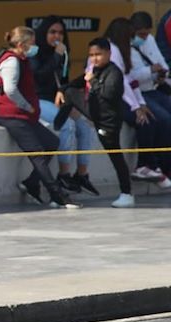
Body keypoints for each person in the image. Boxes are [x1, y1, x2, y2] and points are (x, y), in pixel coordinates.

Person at [0, 26, 78, 208]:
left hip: (23, 115)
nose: (34, 47)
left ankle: (31, 182)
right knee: (37, 153)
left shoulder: (21, 59)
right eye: (32, 44)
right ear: (21, 44)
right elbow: (10, 89)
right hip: (11, 115)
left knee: (52, 143)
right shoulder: (11, 61)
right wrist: (27, 106)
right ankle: (57, 195)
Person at [30, 16, 99, 195]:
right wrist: (56, 56)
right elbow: (39, 76)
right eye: (52, 32)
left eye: (60, 32)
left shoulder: (63, 53)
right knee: (66, 125)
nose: (57, 36)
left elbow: (63, 80)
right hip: (36, 100)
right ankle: (64, 174)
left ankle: (82, 174)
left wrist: (64, 92)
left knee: (84, 126)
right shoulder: (35, 52)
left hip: (56, 99)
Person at [65, 38, 135, 208]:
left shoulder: (114, 73)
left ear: (109, 54)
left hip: (108, 122)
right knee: (69, 92)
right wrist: (61, 90)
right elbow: (77, 83)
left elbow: (108, 95)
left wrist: (92, 81)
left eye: (98, 54)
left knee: (116, 156)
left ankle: (126, 193)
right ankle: (62, 120)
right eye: (91, 55)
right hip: (95, 114)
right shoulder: (95, 69)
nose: (94, 58)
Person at [102, 18, 171, 189]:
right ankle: (146, 165)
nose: (134, 40)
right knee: (149, 119)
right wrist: (137, 106)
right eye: (131, 36)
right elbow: (122, 83)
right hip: (113, 100)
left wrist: (139, 103)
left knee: (151, 115)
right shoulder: (112, 51)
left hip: (132, 94)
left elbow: (130, 81)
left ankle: (154, 165)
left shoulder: (123, 49)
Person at [129, 12, 171, 188]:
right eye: (141, 34)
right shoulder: (126, 45)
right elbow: (132, 76)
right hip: (140, 92)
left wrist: (162, 74)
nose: (144, 38)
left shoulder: (150, 40)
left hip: (155, 88)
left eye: (146, 34)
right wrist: (151, 70)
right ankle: (158, 166)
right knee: (163, 119)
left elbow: (162, 63)